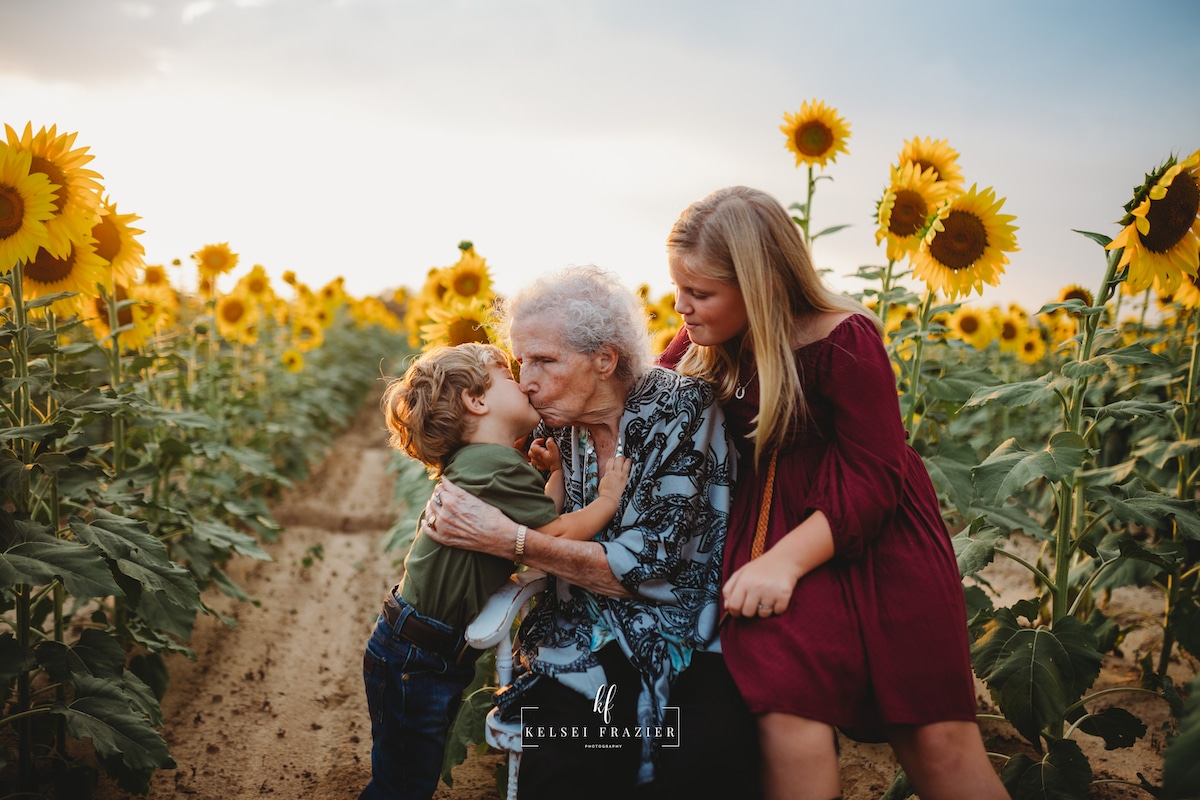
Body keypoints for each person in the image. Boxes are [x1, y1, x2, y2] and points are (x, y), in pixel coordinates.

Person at [658, 185, 1009, 800]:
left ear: (761, 285)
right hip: (768, 531)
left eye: (701, 293)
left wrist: (783, 565)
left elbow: (876, 476)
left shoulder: (844, 340)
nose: (681, 307)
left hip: (880, 546)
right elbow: (644, 411)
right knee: (787, 711)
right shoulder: (700, 347)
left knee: (938, 741)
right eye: (678, 288)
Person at [422, 266, 760, 800]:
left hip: (685, 634)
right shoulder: (554, 424)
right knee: (565, 765)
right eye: (520, 362)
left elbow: (648, 565)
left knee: (699, 764)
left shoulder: (683, 411)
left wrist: (508, 541)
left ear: (605, 360)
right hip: (580, 634)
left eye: (544, 361)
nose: (526, 379)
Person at [360, 342, 631, 800]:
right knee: (401, 787)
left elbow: (538, 521)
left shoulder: (481, 464)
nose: (525, 382)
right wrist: (607, 499)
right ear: (477, 400)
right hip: (418, 658)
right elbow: (558, 537)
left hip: (412, 647)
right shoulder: (497, 466)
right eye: (510, 375)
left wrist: (557, 473)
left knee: (404, 775)